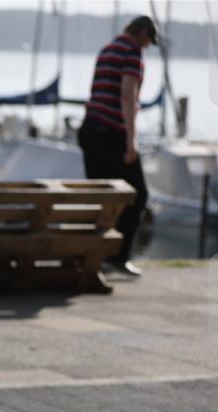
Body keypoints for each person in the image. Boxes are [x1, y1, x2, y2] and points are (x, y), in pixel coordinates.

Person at [78, 15, 157, 277]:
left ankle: (92, 257)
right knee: (138, 195)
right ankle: (117, 257)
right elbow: (127, 94)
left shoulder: (107, 49)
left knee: (100, 198)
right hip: (111, 132)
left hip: (90, 129)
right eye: (148, 40)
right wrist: (131, 141)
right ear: (143, 32)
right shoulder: (131, 52)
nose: (147, 47)